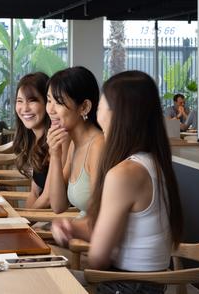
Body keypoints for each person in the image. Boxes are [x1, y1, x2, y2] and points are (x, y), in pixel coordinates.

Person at [52, 71, 183, 294]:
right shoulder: (152, 162)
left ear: (119, 114)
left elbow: (99, 259)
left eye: (102, 105)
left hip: (125, 285)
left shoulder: (124, 174)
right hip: (144, 285)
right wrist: (73, 228)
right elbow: (119, 231)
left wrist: (75, 235)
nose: (98, 111)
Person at [46, 66, 104, 216]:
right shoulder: (74, 144)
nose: (50, 110)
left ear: (84, 107)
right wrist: (55, 155)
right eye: (48, 100)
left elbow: (101, 216)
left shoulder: (98, 146)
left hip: (88, 236)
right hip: (79, 232)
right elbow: (58, 205)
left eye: (58, 102)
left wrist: (68, 231)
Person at [13, 72, 68, 208]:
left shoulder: (60, 138)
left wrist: (23, 221)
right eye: (20, 101)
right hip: (40, 219)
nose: (24, 108)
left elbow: (48, 197)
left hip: (56, 221)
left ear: (48, 103)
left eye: (32, 100)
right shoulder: (34, 139)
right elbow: (34, 193)